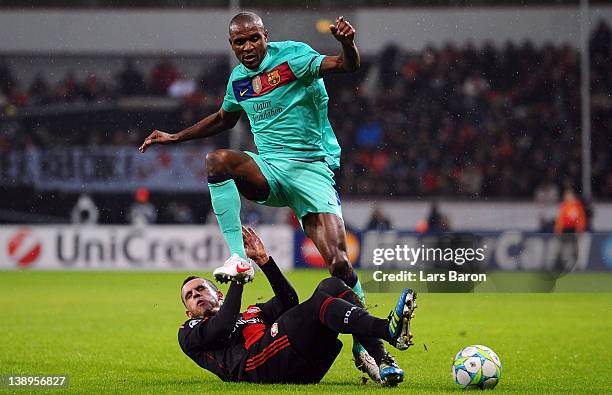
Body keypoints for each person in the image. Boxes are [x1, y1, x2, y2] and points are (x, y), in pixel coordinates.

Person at [140, 12, 385, 379]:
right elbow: (225, 117)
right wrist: (176, 136)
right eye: (240, 42)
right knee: (218, 161)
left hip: (310, 168)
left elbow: (346, 66)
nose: (248, 47)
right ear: (232, 45)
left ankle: (367, 343)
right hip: (268, 168)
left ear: (265, 36)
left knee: (339, 265)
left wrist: (347, 44)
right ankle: (239, 257)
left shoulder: (294, 57)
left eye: (254, 38)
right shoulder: (238, 78)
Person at [178, 227, 417, 386]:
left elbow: (288, 301)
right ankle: (388, 331)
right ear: (189, 311)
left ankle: (382, 358)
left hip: (300, 364)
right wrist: (238, 281)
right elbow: (222, 327)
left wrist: (264, 261)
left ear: (218, 294)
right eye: (189, 295)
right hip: (259, 368)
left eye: (200, 289)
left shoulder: (251, 313)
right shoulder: (189, 331)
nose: (196, 294)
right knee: (319, 305)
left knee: (332, 284)